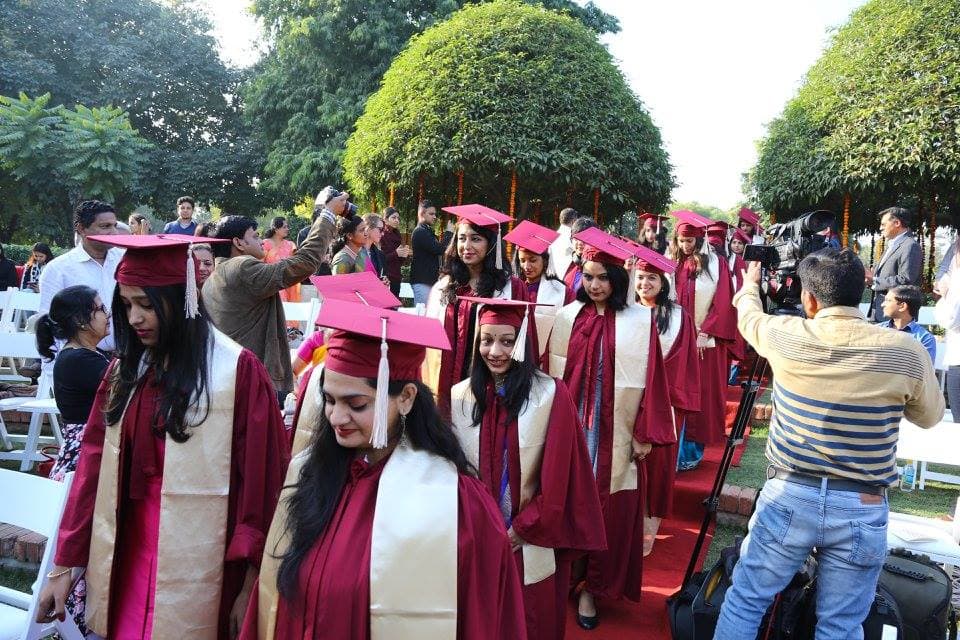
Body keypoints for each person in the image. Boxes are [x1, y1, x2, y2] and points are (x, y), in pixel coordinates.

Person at [37, 234, 290, 640]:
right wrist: (66, 563)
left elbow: (261, 487)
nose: (134, 318)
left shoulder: (237, 372)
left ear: (181, 299)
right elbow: (91, 470)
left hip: (207, 563)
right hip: (130, 549)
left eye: (146, 304)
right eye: (126, 304)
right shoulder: (126, 372)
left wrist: (250, 584)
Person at [241, 298, 527, 639]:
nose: (336, 418)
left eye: (356, 404)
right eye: (329, 400)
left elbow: (484, 617)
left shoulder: (456, 502)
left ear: (406, 397)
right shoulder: (311, 474)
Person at [714, 249, 944, 639]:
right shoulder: (907, 350)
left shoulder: (785, 335)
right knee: (841, 624)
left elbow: (749, 317)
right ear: (863, 291)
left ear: (809, 299)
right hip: (863, 504)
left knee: (747, 600)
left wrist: (750, 286)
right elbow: (929, 416)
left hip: (788, 493)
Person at [450, 296, 605, 640]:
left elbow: (560, 475)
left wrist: (521, 528)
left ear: (523, 342)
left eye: (507, 341)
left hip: (529, 536)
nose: (495, 351)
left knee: (528, 617)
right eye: (487, 340)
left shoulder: (550, 394)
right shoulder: (461, 396)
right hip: (478, 536)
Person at [544, 227, 674, 629]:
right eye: (588, 275)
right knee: (568, 500)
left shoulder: (640, 320)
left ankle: (591, 589)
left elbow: (654, 380)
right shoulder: (568, 316)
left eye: (603, 277)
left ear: (617, 279)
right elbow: (551, 376)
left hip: (615, 432)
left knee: (609, 507)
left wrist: (642, 433)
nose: (594, 284)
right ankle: (563, 576)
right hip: (573, 427)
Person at [33, 284, 111, 635]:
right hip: (87, 459)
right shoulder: (78, 360)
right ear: (81, 320)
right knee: (88, 547)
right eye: (99, 308)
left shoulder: (85, 356)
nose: (106, 314)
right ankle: (81, 622)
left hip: (86, 452)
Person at [203, 209, 338, 401]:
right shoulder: (243, 268)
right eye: (255, 236)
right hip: (252, 382)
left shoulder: (215, 275)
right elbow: (305, 263)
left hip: (230, 377)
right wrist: (327, 216)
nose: (261, 242)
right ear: (238, 242)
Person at [423, 204, 529, 420]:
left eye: (476, 239)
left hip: (492, 382)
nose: (467, 246)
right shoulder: (443, 287)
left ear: (491, 244)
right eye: (462, 239)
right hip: (448, 386)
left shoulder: (512, 288)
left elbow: (523, 345)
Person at [634, 247, 700, 556]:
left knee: (658, 465)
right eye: (639, 277)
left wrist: (663, 395)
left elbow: (684, 363)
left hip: (666, 403)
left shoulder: (678, 316)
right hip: (629, 399)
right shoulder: (627, 310)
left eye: (651, 278)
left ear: (663, 283)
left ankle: (650, 526)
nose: (644, 283)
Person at [666, 210, 737, 471]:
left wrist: (705, 331)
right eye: (682, 240)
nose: (686, 245)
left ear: (699, 238)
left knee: (700, 396)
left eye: (690, 240)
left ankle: (690, 453)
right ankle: (671, 451)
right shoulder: (671, 261)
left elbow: (722, 301)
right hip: (675, 338)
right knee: (675, 393)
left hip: (703, 342)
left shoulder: (714, 263)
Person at [39, 200, 122, 351]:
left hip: (124, 360)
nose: (114, 233)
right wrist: (55, 372)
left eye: (114, 226)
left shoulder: (124, 260)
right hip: (81, 363)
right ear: (82, 229)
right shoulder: (58, 269)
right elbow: (51, 325)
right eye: (105, 226)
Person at [505, 220, 574, 358]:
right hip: (512, 353)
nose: (527, 266)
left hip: (546, 357)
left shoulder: (562, 292)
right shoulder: (511, 288)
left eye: (533, 260)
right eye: (523, 260)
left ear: (545, 260)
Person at [866, 206, 922, 321]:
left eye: (883, 224)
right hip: (882, 312)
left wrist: (875, 280)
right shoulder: (892, 245)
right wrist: (870, 279)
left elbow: (906, 279)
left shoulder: (910, 246)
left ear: (897, 223)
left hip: (898, 317)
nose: (880, 228)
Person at [877, 285, 936, 364]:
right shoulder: (877, 330)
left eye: (888, 300)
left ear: (902, 306)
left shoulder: (924, 338)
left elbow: (925, 370)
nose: (882, 304)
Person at [410, 199, 453, 306]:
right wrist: (448, 233)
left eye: (435, 214)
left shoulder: (426, 231)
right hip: (422, 281)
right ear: (422, 214)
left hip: (429, 281)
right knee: (422, 316)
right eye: (431, 214)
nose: (434, 217)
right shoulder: (420, 232)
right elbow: (439, 249)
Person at [262, 216, 301, 306]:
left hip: (288, 282)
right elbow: (259, 264)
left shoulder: (290, 245)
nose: (287, 229)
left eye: (287, 227)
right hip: (271, 283)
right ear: (276, 229)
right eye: (284, 227)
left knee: (289, 312)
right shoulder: (265, 244)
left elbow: (296, 263)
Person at [380, 206, 411, 297]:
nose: (397, 220)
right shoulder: (381, 235)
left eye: (398, 218)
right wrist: (396, 253)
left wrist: (403, 255)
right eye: (393, 217)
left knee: (394, 307)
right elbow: (381, 259)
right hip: (385, 277)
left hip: (396, 277)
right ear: (385, 219)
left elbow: (398, 261)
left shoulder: (397, 235)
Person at [562, 217, 598, 292]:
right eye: (576, 238)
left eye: (584, 238)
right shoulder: (569, 266)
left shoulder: (601, 268)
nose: (580, 243)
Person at [549, 207, 578, 278]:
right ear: (573, 221)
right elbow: (569, 255)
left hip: (552, 275)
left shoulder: (553, 237)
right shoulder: (572, 238)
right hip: (566, 276)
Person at [361, 213, 389, 284]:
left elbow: (382, 277)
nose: (382, 234)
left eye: (383, 230)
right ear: (368, 228)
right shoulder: (353, 251)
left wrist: (383, 282)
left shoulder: (380, 255)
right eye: (380, 229)